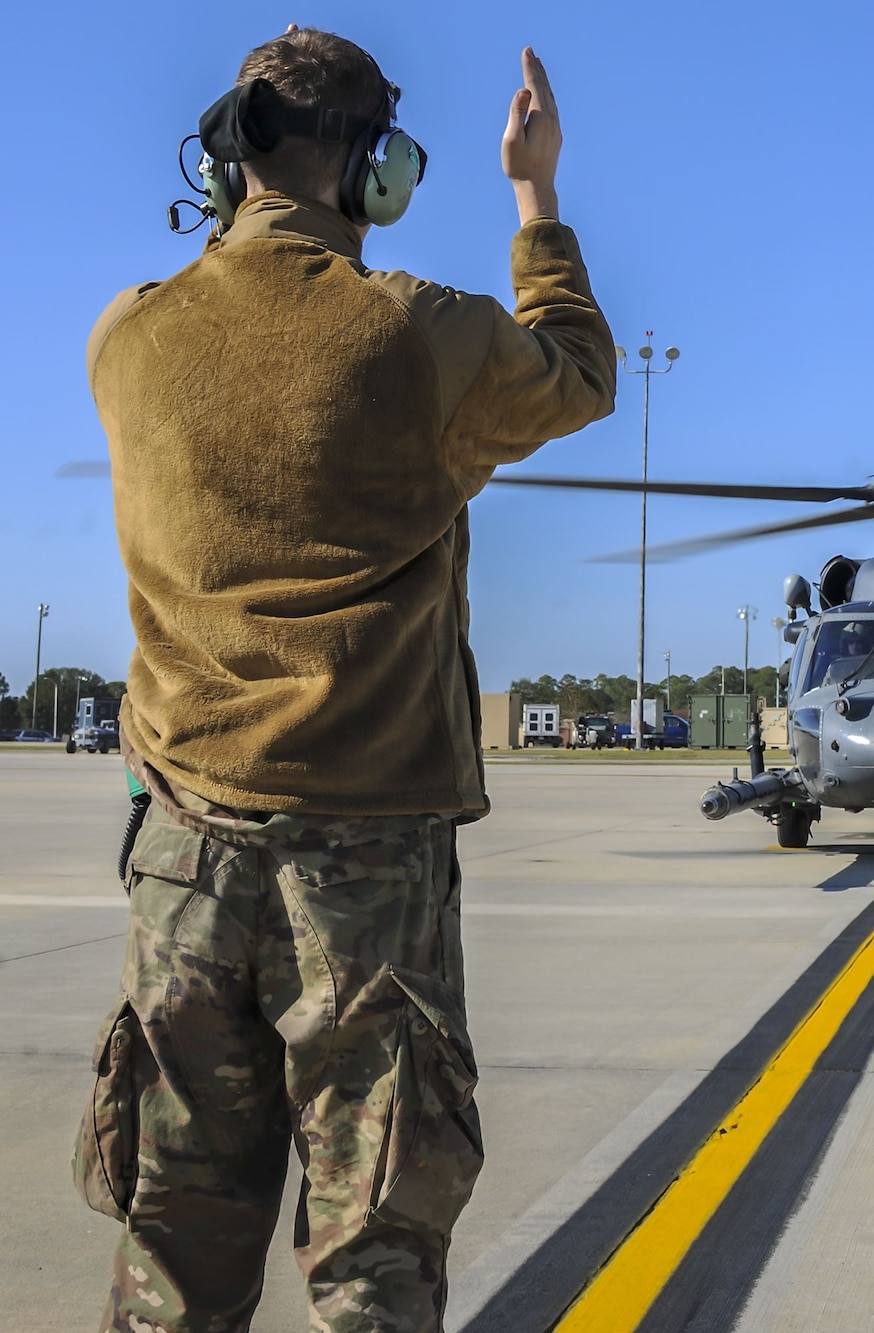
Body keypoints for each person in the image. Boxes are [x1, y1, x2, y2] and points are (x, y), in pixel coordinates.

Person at [77, 29, 615, 1331]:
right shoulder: (417, 335)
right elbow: (584, 373)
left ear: (226, 159)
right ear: (376, 174)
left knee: (176, 1241)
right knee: (371, 1248)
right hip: (366, 874)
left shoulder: (128, 341)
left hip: (184, 865)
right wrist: (535, 197)